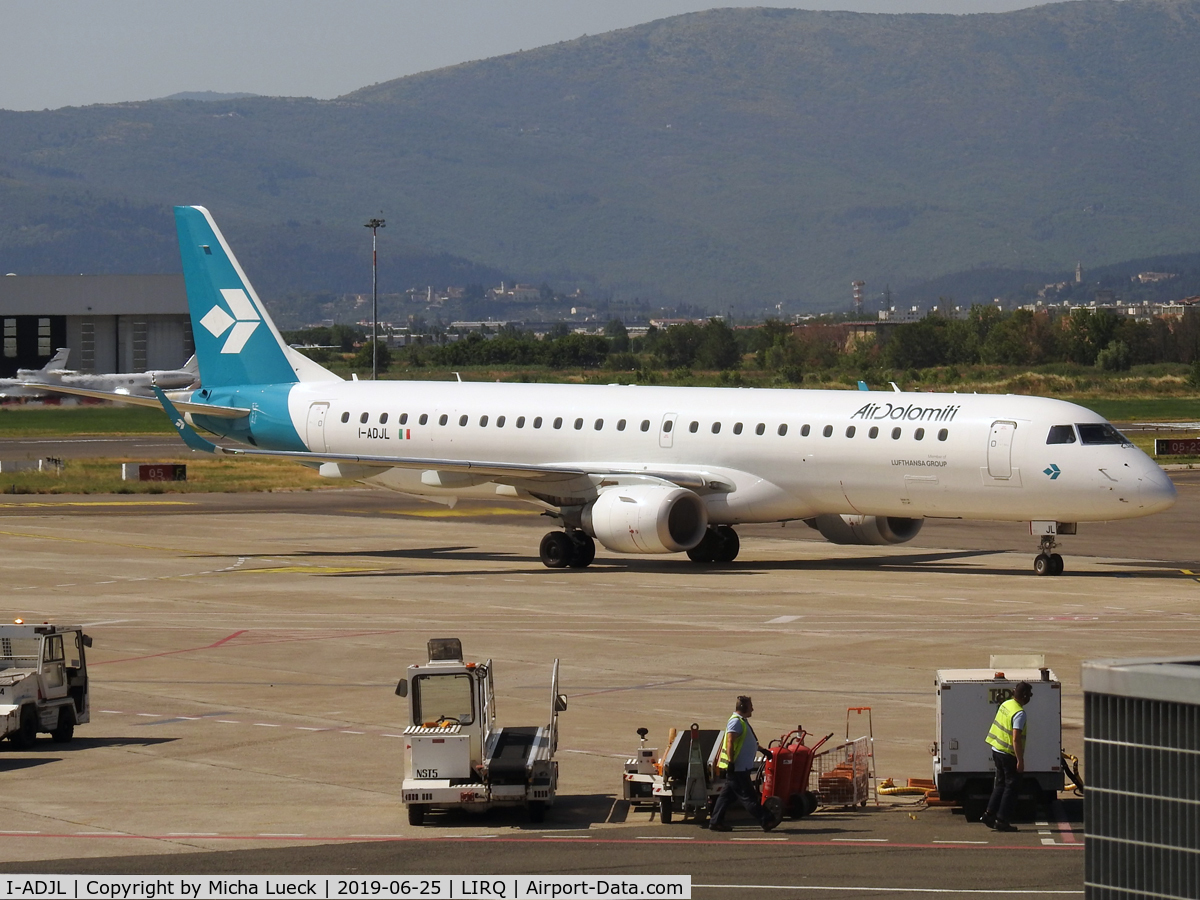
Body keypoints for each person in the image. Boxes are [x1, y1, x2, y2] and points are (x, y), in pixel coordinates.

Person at [708, 695, 782, 832]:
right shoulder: (735, 722)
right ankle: (766, 820)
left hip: (739, 768)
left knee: (726, 797)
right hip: (738, 768)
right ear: (743, 707)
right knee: (748, 797)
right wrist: (731, 762)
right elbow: (730, 741)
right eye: (750, 706)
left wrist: (763, 750)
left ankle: (715, 821)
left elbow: (747, 742)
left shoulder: (741, 721)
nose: (752, 709)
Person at [980, 681, 1033, 832]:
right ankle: (1002, 820)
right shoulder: (1019, 713)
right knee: (1011, 787)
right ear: (1025, 696)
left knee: (1001, 784)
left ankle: (989, 814)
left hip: (996, 749)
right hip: (1008, 754)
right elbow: (1016, 738)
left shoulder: (1006, 704)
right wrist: (1020, 760)